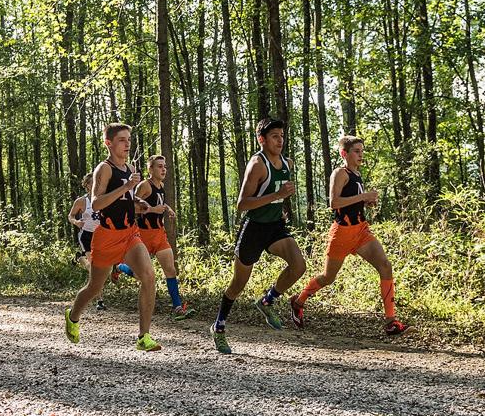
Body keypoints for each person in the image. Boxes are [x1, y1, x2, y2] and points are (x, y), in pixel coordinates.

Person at [290, 136, 415, 337]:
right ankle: (298, 301)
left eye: (362, 151)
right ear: (344, 154)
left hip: (361, 231)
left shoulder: (356, 174)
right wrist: (364, 196)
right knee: (328, 277)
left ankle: (391, 322)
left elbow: (351, 201)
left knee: (385, 265)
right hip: (342, 233)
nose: (360, 154)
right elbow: (334, 202)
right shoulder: (340, 173)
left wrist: (365, 203)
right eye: (356, 151)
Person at [211, 117, 307, 355]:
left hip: (274, 226)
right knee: (237, 285)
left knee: (298, 266)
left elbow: (274, 194)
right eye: (275, 136)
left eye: (282, 136)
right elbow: (242, 204)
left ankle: (267, 300)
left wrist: (280, 207)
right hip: (253, 228)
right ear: (261, 139)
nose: (280, 141)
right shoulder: (258, 164)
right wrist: (279, 194)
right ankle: (219, 325)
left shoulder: (288, 163)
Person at [65, 123, 161, 352]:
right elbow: (97, 203)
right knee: (95, 287)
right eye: (121, 140)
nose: (127, 143)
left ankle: (143, 336)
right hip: (106, 235)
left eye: (129, 139)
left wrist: (140, 204)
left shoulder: (130, 167)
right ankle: (73, 315)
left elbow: (124, 199)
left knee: (148, 276)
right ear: (109, 143)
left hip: (130, 233)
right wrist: (128, 185)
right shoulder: (104, 169)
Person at [135, 155, 196, 321]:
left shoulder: (160, 185)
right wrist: (153, 210)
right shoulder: (144, 186)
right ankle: (120, 267)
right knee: (140, 273)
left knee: (170, 270)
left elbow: (158, 202)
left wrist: (167, 209)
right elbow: (132, 207)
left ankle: (177, 307)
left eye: (165, 167)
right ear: (151, 169)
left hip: (159, 234)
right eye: (159, 167)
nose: (163, 170)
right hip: (143, 234)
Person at [68, 173, 107, 311]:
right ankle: (100, 300)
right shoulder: (81, 201)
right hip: (87, 235)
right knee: (94, 267)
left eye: (98, 182)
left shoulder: (104, 199)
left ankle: (80, 258)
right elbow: (71, 215)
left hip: (102, 236)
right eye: (92, 183)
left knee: (104, 265)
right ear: (87, 186)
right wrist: (76, 222)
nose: (95, 185)